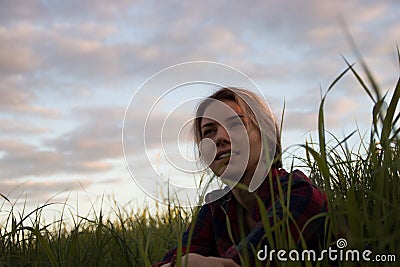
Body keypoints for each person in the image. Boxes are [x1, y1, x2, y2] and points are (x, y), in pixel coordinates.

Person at [153, 87, 328, 267]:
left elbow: (245, 262)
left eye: (236, 124)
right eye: (209, 131)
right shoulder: (216, 209)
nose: (219, 138)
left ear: (267, 137)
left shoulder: (299, 194)